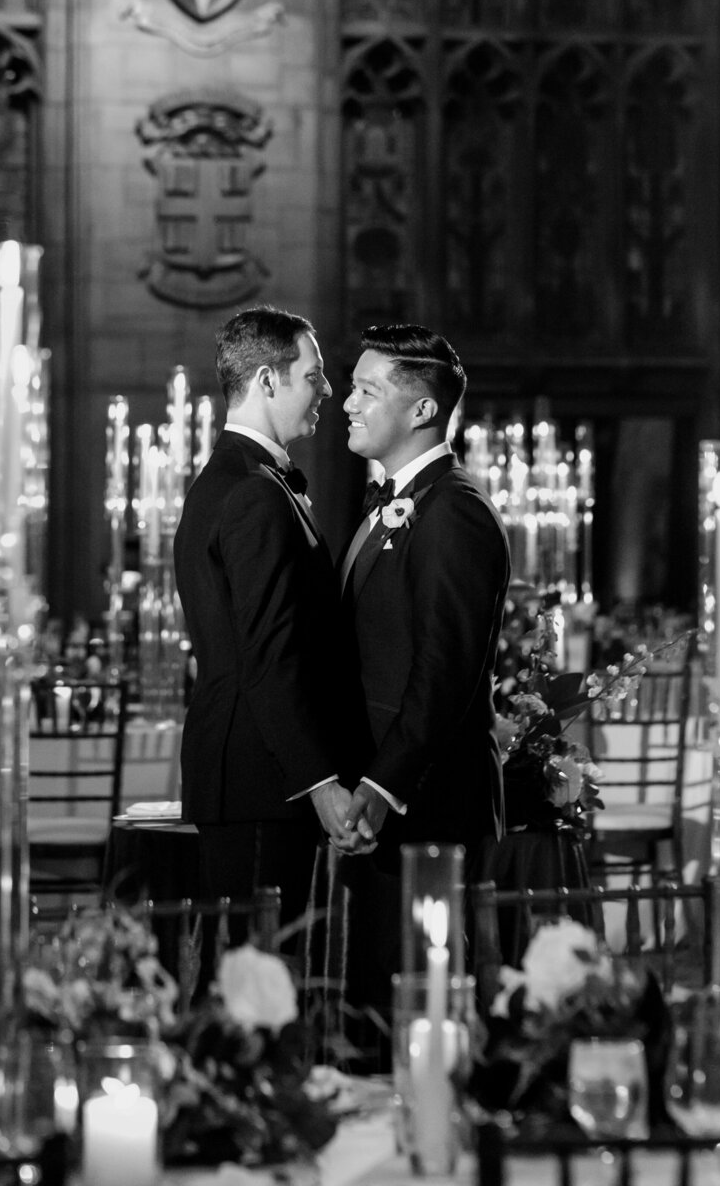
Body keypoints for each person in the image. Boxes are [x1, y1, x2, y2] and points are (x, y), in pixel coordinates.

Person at [337, 322, 511, 1005]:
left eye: (366, 389)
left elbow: (444, 670)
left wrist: (381, 788)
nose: (348, 402)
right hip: (390, 805)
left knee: (422, 1002)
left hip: (426, 807)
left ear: (421, 410)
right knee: (379, 998)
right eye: (352, 387)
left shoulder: (453, 514)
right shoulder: (396, 505)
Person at [175, 304, 365, 927]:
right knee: (259, 984)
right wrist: (321, 785)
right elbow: (271, 655)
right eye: (312, 375)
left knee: (258, 984)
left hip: (251, 773)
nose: (328, 390)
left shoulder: (235, 479)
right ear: (266, 381)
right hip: (260, 778)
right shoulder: (254, 491)